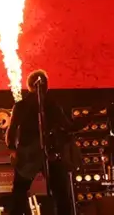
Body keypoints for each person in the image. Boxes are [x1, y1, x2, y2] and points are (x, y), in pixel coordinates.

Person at [7, 70, 79, 215]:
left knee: (19, 192)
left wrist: (13, 149)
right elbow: (67, 126)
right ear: (46, 86)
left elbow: (11, 130)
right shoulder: (52, 105)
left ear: (29, 86)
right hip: (49, 152)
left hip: (28, 155)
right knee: (61, 194)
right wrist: (83, 121)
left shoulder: (21, 105)